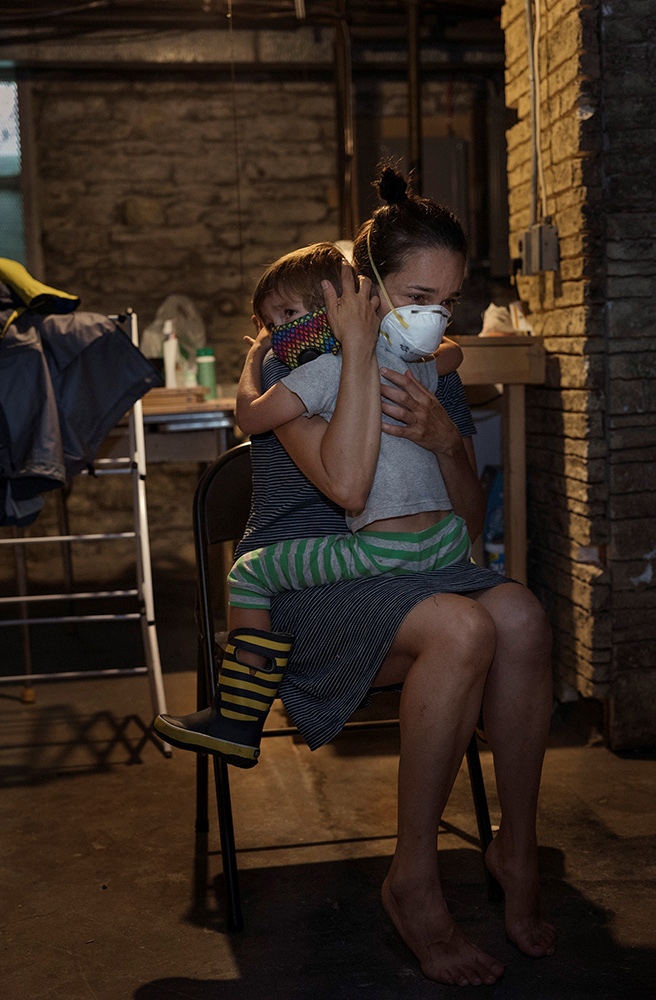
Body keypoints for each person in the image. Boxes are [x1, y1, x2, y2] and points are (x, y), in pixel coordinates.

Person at [168, 168, 558, 986]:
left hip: (417, 567)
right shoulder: (307, 360)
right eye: (419, 293)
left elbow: (468, 509)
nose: (434, 314)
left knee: (520, 614)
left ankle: (515, 850)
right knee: (466, 626)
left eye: (447, 299)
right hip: (311, 592)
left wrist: (448, 439)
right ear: (367, 286)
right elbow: (345, 487)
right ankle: (413, 881)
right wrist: (330, 353)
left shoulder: (421, 360)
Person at [151, 241, 467, 767]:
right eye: (271, 323)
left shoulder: (316, 373)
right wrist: (397, 339)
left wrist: (253, 361)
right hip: (450, 546)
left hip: (388, 551)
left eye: (289, 315)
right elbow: (453, 353)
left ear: (333, 309)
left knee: (250, 571)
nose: (278, 333)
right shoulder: (401, 365)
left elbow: (249, 418)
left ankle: (237, 716)